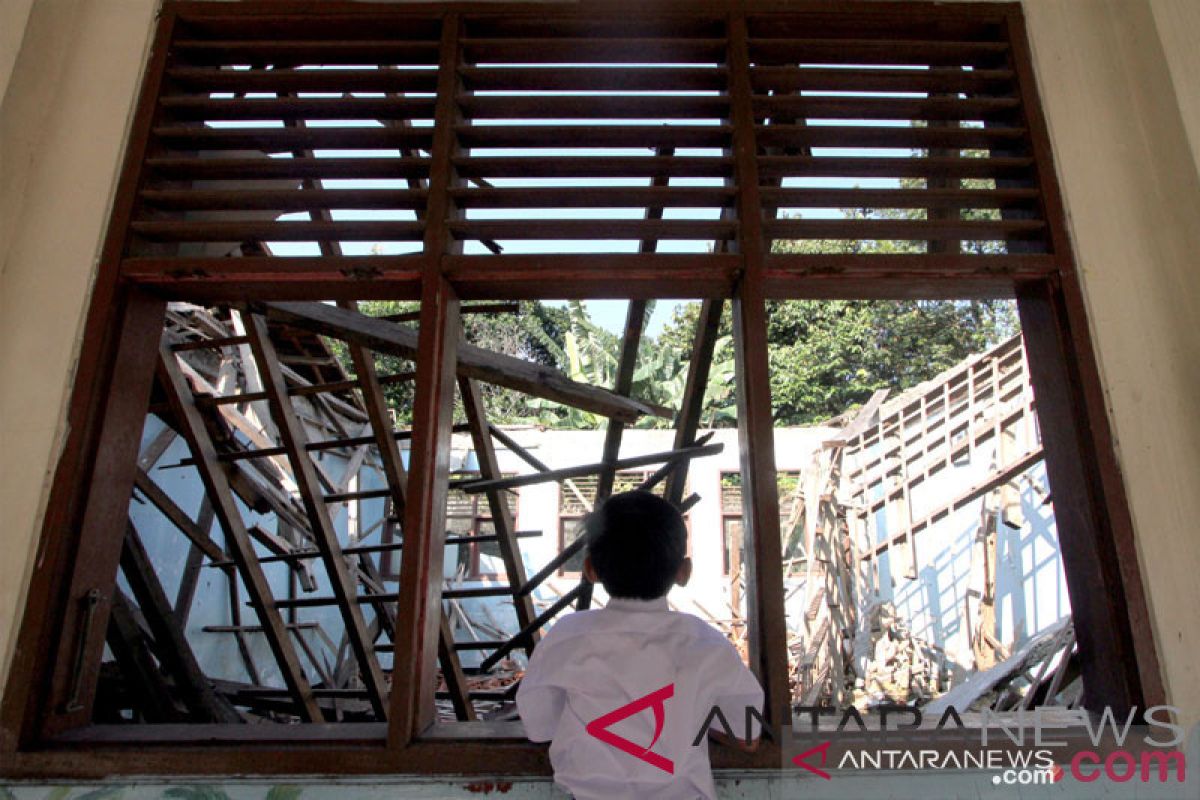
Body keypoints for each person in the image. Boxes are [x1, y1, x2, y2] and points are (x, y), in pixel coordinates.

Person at [516, 490, 764, 800]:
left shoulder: (566, 638)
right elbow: (748, 736)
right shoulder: (706, 644)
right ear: (683, 573)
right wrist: (691, 719)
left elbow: (539, 727)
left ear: (590, 569)